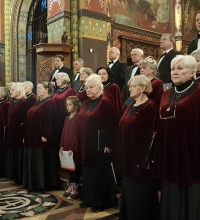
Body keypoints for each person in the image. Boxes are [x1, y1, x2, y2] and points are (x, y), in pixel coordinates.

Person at [154, 55, 200, 220]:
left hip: (192, 157)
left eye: (180, 68)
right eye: (172, 69)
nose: (175, 72)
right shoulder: (166, 93)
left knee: (192, 197)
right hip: (170, 157)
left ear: (192, 72)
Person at [115, 75, 159, 220]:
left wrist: (141, 160)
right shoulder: (130, 106)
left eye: (133, 86)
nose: (130, 89)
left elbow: (150, 134)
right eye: (130, 86)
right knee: (129, 192)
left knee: (140, 194)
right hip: (126, 157)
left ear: (143, 88)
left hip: (140, 161)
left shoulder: (150, 106)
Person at [76, 74, 118, 213]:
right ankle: (88, 199)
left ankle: (103, 202)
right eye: (87, 87)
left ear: (100, 88)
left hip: (101, 144)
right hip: (85, 143)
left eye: (91, 87)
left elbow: (113, 124)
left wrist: (110, 144)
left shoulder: (106, 102)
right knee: (88, 172)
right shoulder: (84, 103)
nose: (88, 90)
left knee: (100, 173)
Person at [23, 81, 60, 190]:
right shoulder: (38, 101)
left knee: (41, 161)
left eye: (40, 88)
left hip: (41, 138)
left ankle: (42, 184)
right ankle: (33, 183)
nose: (37, 90)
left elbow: (51, 120)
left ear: (47, 90)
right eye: (37, 88)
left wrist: (46, 135)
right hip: (32, 136)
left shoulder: (50, 102)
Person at [6, 83, 30, 184]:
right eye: (10, 89)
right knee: (13, 155)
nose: (10, 91)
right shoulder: (12, 102)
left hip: (19, 134)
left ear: (19, 91)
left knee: (20, 155)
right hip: (12, 133)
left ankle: (20, 177)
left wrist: (24, 135)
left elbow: (25, 120)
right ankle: (13, 175)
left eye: (12, 90)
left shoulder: (24, 102)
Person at [60, 96, 81, 200]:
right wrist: (62, 146)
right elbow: (64, 133)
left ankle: (75, 187)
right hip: (66, 148)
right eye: (66, 105)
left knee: (75, 169)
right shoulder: (66, 119)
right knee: (69, 169)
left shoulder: (78, 119)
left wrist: (73, 148)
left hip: (73, 149)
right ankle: (70, 186)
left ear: (76, 106)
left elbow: (78, 135)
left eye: (70, 105)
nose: (67, 107)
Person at [52, 72, 75, 149]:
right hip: (55, 118)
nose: (56, 81)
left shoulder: (69, 90)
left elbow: (72, 105)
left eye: (57, 79)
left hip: (64, 118)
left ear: (64, 79)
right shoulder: (58, 90)